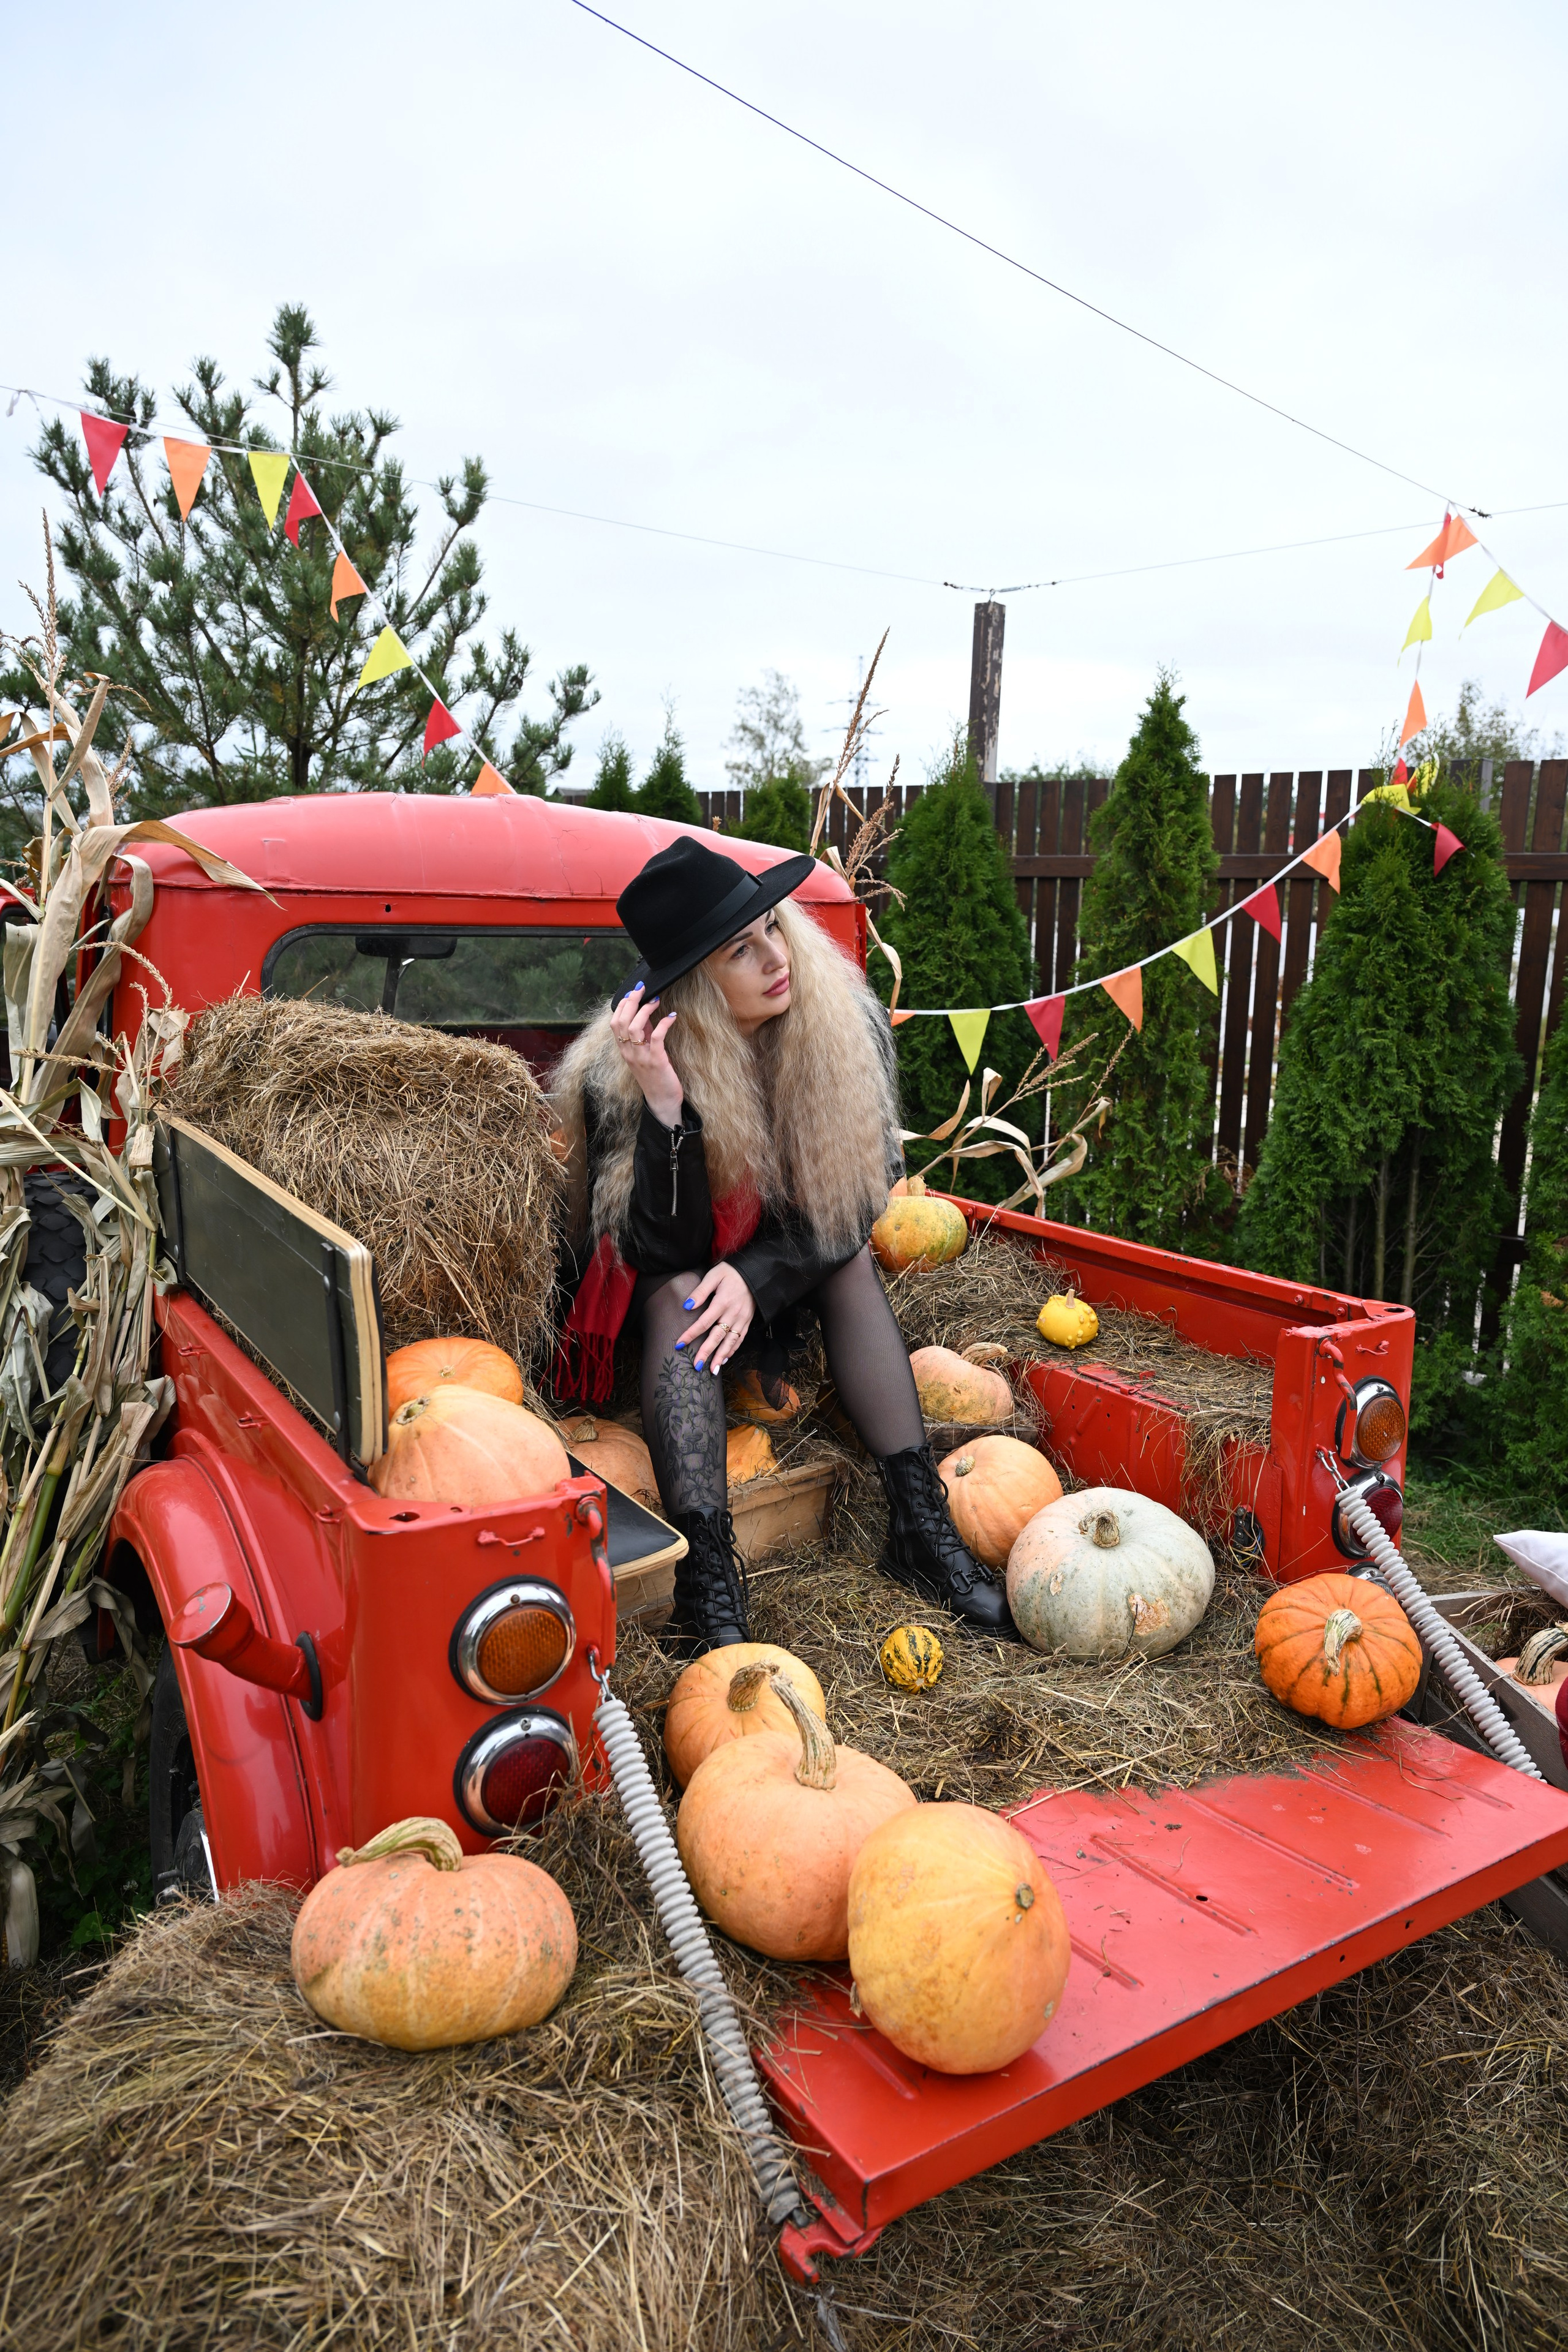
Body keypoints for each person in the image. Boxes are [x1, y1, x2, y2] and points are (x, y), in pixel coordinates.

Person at [550, 835, 1014, 1656]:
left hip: (774, 1296)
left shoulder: (839, 1023)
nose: (775, 957)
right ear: (694, 987)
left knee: (851, 1261)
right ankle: (708, 1584)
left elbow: (858, 1199)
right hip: (662, 1309)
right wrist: (667, 1103)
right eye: (741, 949)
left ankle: (920, 1528)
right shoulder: (618, 1075)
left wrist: (756, 1276)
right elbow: (659, 1245)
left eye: (773, 927)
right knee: (681, 1290)